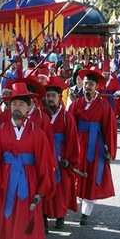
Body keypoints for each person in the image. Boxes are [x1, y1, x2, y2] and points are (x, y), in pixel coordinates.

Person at [0, 82, 55, 239]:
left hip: (27, 179)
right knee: (8, 215)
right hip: (6, 179)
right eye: (14, 104)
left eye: (22, 105)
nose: (17, 108)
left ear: (29, 107)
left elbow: (44, 162)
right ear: (9, 107)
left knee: (23, 216)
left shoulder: (37, 133)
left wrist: (41, 189)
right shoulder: (0, 131)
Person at [68, 66, 117, 226]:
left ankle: (86, 212)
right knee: (76, 173)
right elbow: (69, 126)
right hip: (78, 144)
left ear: (96, 87)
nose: (88, 87)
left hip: (95, 145)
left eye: (91, 84)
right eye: (86, 83)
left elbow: (110, 130)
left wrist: (110, 151)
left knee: (92, 176)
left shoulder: (104, 106)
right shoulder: (76, 104)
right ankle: (77, 201)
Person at [42, 76, 79, 230]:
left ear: (59, 97)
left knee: (61, 188)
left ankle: (60, 216)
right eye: (48, 95)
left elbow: (72, 140)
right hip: (44, 157)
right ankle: (43, 216)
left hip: (60, 157)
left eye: (53, 96)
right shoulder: (40, 115)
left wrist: (69, 161)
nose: (50, 98)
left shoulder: (66, 117)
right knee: (44, 185)